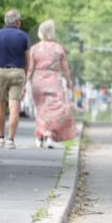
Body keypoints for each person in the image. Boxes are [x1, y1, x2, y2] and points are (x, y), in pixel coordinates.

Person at [25, 20, 77, 148]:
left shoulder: (34, 48)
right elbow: (66, 68)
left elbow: (30, 69)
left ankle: (40, 136)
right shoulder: (58, 48)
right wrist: (69, 83)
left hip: (38, 82)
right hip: (54, 81)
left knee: (41, 110)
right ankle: (48, 135)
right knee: (54, 110)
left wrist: (25, 83)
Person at [0, 10, 30, 149]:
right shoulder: (23, 36)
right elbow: (27, 60)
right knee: (14, 106)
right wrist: (26, 75)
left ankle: (0, 138)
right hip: (17, 72)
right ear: (17, 22)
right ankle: (11, 140)